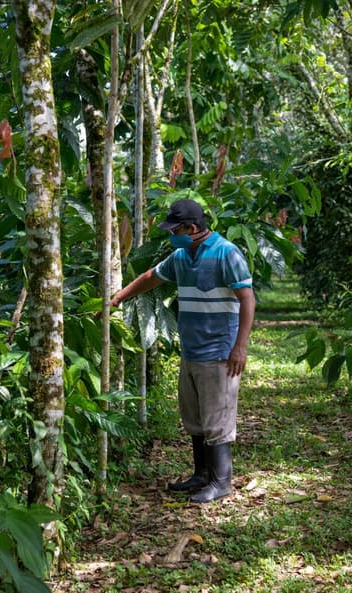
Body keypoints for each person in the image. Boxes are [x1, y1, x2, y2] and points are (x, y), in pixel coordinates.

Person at [110, 198, 255, 503]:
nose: (170, 235)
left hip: (219, 351)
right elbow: (151, 277)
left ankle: (221, 481)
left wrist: (240, 347)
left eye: (174, 229)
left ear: (191, 228)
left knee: (217, 418)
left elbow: (247, 299)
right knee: (195, 417)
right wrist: (117, 298)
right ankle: (201, 475)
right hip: (191, 350)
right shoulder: (180, 255)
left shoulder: (227, 253)